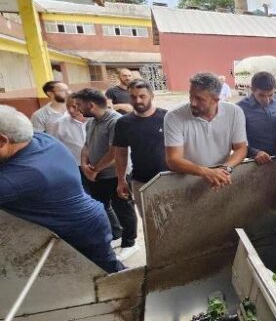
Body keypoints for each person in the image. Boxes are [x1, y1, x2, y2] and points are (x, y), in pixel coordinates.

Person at [0, 105, 124, 273]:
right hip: (87, 220)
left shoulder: (25, 175)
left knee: (106, 277)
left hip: (80, 231)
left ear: (2, 141)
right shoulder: (40, 139)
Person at [72, 88, 138, 260]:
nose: (77, 109)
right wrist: (85, 165)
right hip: (96, 174)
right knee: (102, 206)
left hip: (118, 175)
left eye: (79, 105)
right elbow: (86, 145)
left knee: (124, 208)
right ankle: (117, 234)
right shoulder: (91, 122)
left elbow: (115, 152)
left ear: (91, 105)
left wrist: (95, 169)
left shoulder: (116, 121)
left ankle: (130, 243)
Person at [164, 72, 248, 189]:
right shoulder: (174, 116)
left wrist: (225, 169)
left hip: (221, 178)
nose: (192, 103)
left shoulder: (234, 112)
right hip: (186, 181)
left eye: (199, 99)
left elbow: (241, 148)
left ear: (215, 100)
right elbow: (173, 159)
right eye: (191, 96)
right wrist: (205, 172)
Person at [113, 81, 168, 217]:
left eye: (142, 96)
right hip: (141, 181)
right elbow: (120, 153)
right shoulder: (123, 123)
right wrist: (121, 180)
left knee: (174, 221)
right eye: (133, 97)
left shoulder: (167, 117)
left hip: (169, 179)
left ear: (151, 96)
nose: (138, 100)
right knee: (148, 221)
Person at [237, 72, 276, 165]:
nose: (267, 100)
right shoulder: (240, 108)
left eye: (271, 95)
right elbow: (236, 141)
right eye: (262, 95)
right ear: (252, 90)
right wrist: (255, 152)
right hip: (254, 162)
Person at [50, 95, 88, 184]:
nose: (70, 110)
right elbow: (54, 147)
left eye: (75, 107)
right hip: (74, 167)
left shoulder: (95, 120)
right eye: (68, 106)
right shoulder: (59, 124)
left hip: (97, 165)